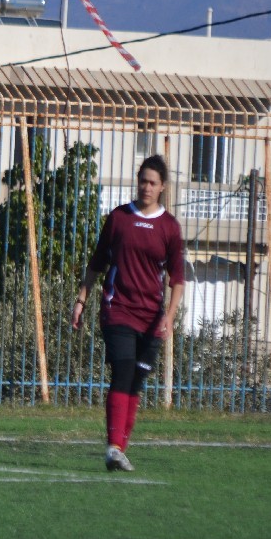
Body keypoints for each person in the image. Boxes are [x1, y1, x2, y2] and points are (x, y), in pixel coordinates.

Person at [70, 154, 185, 472]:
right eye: (142, 181)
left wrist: (169, 316)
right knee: (122, 372)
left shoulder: (169, 227)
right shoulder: (119, 218)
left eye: (152, 182)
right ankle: (113, 448)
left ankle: (120, 448)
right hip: (117, 308)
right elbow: (97, 263)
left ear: (162, 187)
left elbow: (177, 279)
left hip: (151, 316)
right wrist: (81, 301)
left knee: (136, 381)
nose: (146, 187)